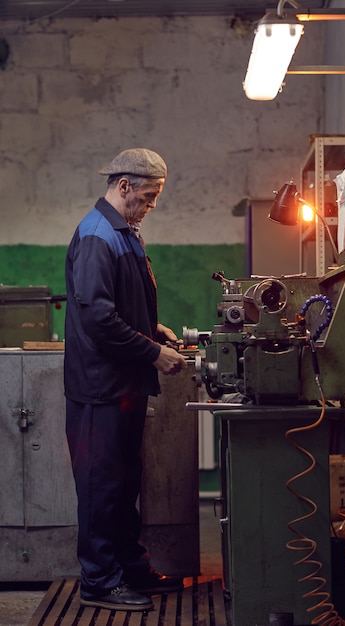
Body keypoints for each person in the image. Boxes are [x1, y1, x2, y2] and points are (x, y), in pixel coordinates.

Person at [64, 148, 188, 612]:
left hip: (122, 387)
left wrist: (150, 327)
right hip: (100, 389)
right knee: (101, 486)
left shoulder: (124, 233)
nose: (151, 204)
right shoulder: (98, 235)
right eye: (149, 196)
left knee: (124, 482)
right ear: (124, 186)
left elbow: (117, 304)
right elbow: (97, 317)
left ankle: (129, 568)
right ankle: (99, 580)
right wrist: (153, 353)